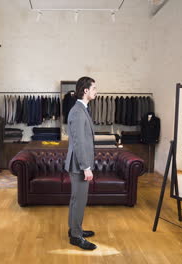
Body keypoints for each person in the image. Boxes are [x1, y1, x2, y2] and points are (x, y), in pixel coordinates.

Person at [64, 76, 97, 250]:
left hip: (80, 163)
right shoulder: (77, 111)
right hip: (79, 164)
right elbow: (78, 142)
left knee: (77, 199)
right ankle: (76, 236)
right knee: (79, 200)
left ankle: (74, 229)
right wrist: (86, 167)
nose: (96, 92)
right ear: (86, 91)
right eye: (94, 88)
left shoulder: (82, 109)